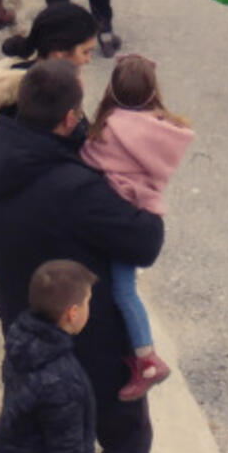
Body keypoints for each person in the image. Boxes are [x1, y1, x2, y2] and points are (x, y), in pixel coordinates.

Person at [0, 60, 163, 453]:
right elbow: (146, 242)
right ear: (68, 118)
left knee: (53, 443)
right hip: (90, 344)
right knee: (126, 443)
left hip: (24, 334)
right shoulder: (75, 188)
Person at [82, 56, 192, 400]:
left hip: (120, 218)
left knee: (123, 290)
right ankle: (141, 355)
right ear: (153, 91)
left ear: (111, 89)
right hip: (143, 214)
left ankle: (147, 360)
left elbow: (89, 158)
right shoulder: (162, 129)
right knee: (124, 288)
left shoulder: (111, 128)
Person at [0, 258, 97, 453]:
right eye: (88, 302)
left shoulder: (23, 340)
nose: (90, 308)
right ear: (73, 313)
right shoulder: (62, 381)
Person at [0, 1, 98, 117]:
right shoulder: (42, 96)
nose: (88, 60)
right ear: (59, 52)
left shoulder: (34, 76)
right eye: (85, 52)